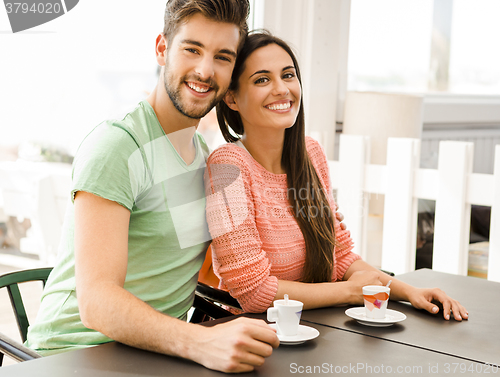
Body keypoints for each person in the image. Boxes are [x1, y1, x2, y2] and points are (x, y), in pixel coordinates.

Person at [26, 1, 280, 373]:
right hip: (72, 356)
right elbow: (96, 300)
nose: (205, 70)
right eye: (192, 49)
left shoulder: (208, 158)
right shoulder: (117, 146)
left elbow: (220, 271)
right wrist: (200, 341)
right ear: (162, 49)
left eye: (223, 57)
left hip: (155, 356)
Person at [205, 31, 468, 321]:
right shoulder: (227, 166)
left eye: (288, 75)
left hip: (318, 324)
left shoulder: (310, 153)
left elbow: (340, 258)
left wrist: (408, 292)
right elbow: (254, 292)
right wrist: (350, 292)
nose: (281, 89)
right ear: (231, 98)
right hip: (254, 334)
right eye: (262, 79)